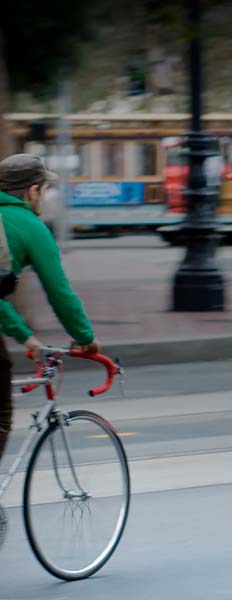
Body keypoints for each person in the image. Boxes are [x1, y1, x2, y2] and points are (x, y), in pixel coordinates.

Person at [0, 154, 100, 464]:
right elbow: (59, 293)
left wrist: (26, 338)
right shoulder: (30, 225)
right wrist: (84, 337)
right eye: (44, 189)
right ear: (33, 191)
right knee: (0, 414)